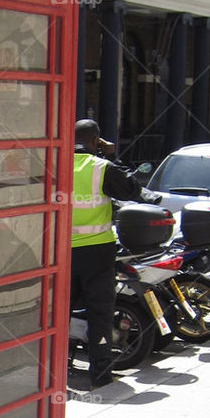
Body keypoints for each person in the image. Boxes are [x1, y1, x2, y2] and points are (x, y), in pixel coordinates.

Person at [70, 118, 144, 388]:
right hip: (97, 252)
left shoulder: (54, 165)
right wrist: (112, 156)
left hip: (59, 253)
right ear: (95, 140)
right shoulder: (102, 168)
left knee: (55, 314)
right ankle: (100, 375)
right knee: (99, 314)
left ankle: (50, 373)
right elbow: (134, 190)